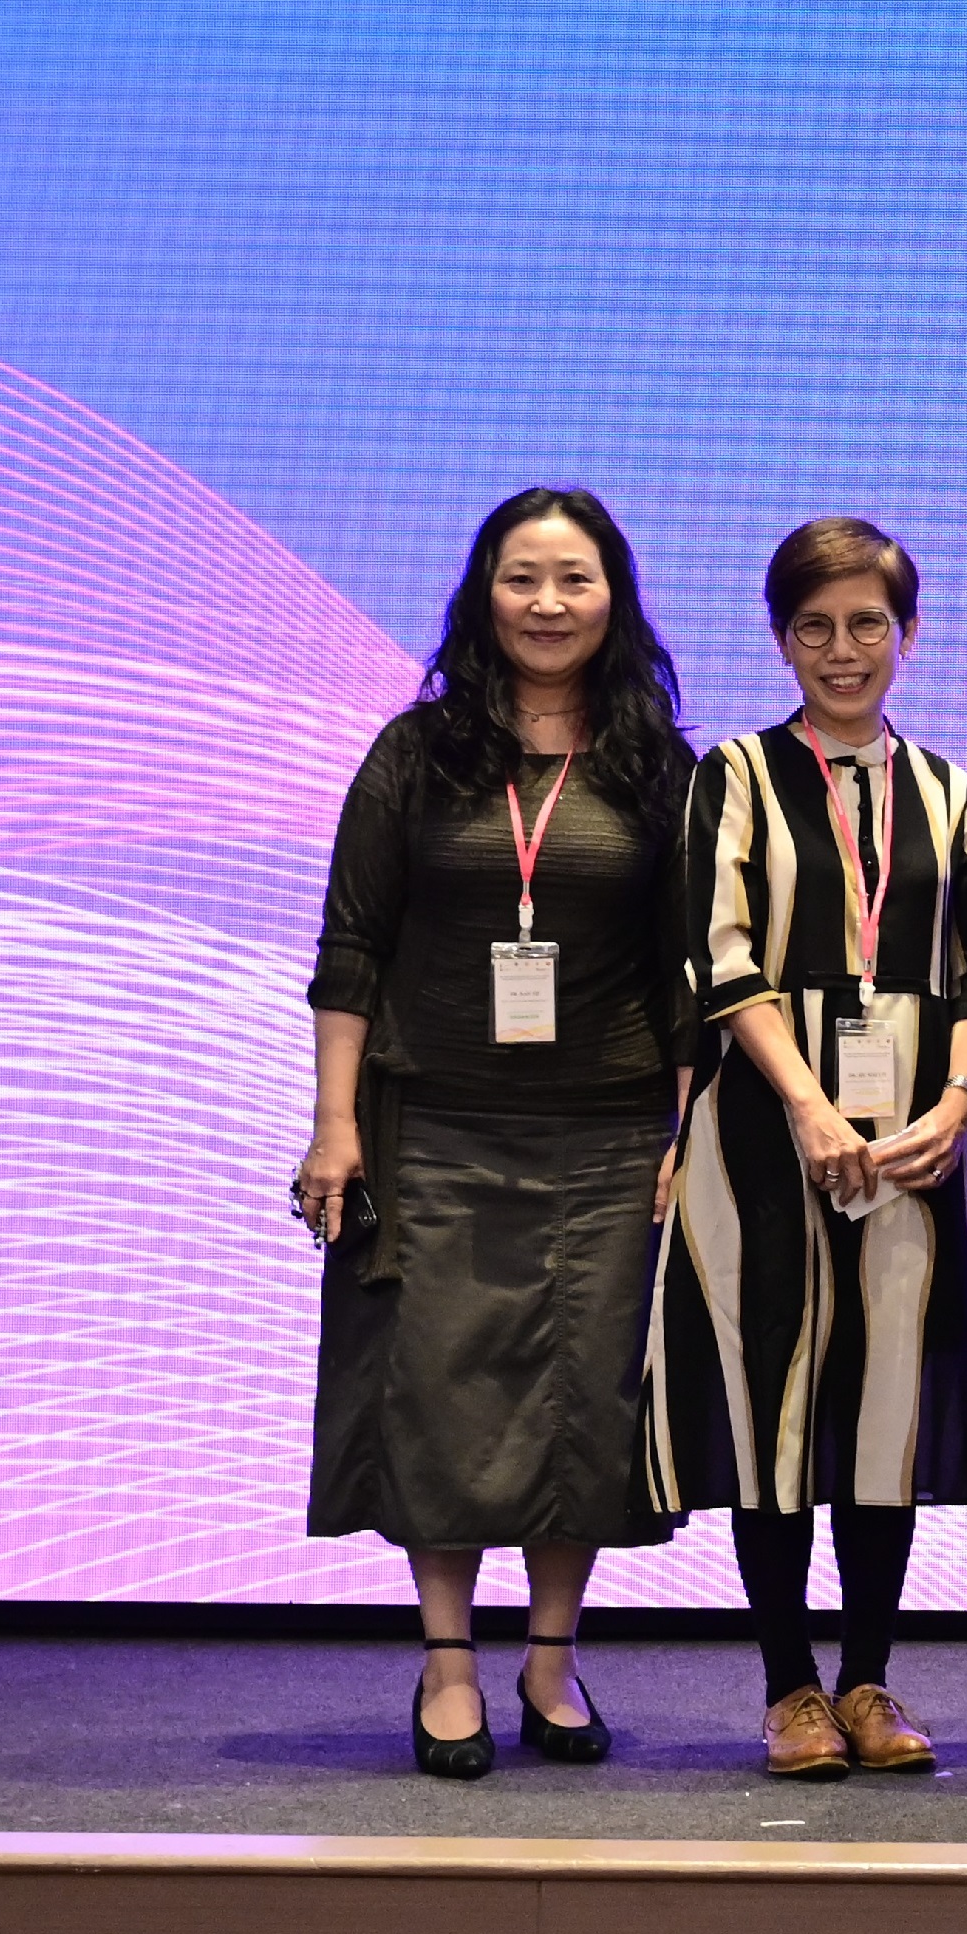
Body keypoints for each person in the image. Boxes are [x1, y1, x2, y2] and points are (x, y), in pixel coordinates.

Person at [295, 487, 690, 1778]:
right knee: (446, 1393)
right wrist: (333, 1122)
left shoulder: (655, 763)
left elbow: (696, 968)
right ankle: (450, 1655)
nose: (548, 602)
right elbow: (350, 943)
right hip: (438, 1124)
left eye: (574, 578)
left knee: (582, 1395)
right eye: (523, 577)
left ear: (613, 596)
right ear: (483, 592)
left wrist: (686, 1131)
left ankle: (553, 1652)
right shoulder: (416, 755)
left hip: (608, 1130)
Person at [647, 518, 967, 1782]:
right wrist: (804, 1102)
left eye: (867, 625)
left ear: (908, 634)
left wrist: (956, 1109)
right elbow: (718, 953)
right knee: (774, 1409)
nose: (842, 652)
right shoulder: (733, 773)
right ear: (780, 637)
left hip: (915, 1138)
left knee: (886, 1407)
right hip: (759, 1128)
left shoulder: (955, 793)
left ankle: (868, 1681)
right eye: (814, 627)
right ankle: (788, 1687)